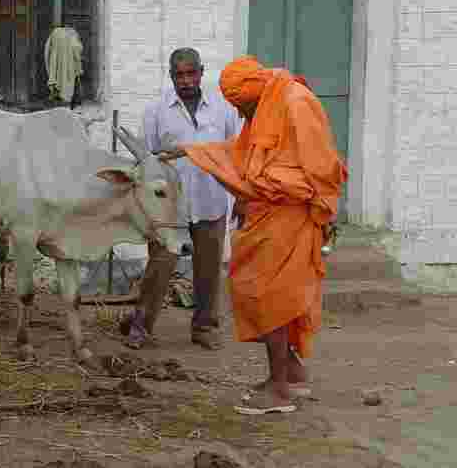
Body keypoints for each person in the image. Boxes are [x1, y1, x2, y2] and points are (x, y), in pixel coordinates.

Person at [161, 55, 347, 414]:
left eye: (243, 106)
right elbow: (244, 153)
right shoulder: (265, 104)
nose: (242, 115)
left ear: (254, 92)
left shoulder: (295, 102)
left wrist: (320, 211)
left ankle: (278, 389)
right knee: (267, 293)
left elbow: (321, 167)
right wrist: (191, 151)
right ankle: (291, 373)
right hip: (269, 215)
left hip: (289, 217)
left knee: (269, 296)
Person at [119, 47, 243, 351]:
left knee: (209, 268)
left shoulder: (222, 109)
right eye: (179, 74)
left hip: (211, 199)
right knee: (161, 263)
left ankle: (204, 327)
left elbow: (235, 151)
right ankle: (141, 325)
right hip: (170, 208)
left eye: (191, 73)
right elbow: (145, 163)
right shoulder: (156, 112)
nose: (186, 80)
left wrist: (241, 194)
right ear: (171, 76)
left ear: (201, 72)